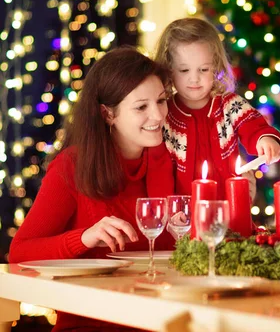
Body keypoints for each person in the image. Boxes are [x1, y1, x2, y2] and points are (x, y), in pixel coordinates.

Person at [9, 47, 175, 331]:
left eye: (161, 101)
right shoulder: (71, 166)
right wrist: (83, 239)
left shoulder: (170, 160)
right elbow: (20, 252)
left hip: (162, 321)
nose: (158, 115)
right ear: (108, 114)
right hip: (91, 324)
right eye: (141, 107)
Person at [154, 18, 280, 202]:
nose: (194, 79)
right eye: (184, 70)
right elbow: (158, 170)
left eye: (203, 69)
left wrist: (265, 139)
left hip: (229, 210)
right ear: (168, 70)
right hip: (185, 218)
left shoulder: (229, 105)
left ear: (216, 66)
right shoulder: (165, 114)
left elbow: (253, 126)